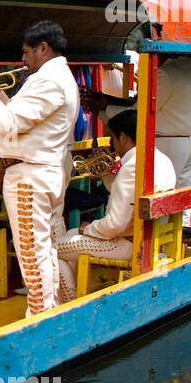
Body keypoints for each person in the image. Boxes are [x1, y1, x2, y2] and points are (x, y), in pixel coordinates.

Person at [0, 20, 79, 316]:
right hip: (41, 172)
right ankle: (51, 309)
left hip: (29, 177)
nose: (22, 60)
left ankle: (39, 316)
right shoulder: (57, 76)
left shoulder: (48, 79)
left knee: (32, 255)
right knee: (43, 249)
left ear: (42, 48)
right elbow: (18, 118)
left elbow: (9, 123)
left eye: (26, 53)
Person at [55, 110, 176, 303]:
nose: (112, 144)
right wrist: (106, 175)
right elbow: (129, 197)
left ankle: (70, 303)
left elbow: (115, 225)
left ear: (124, 137)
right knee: (69, 236)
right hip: (150, 238)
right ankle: (73, 295)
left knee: (50, 248)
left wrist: (88, 228)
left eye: (112, 137)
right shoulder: (161, 159)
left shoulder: (132, 166)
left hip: (130, 244)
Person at [82, 54, 191, 189]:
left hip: (168, 142)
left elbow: (139, 112)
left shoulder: (165, 73)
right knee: (182, 195)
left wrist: (104, 111)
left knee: (157, 191)